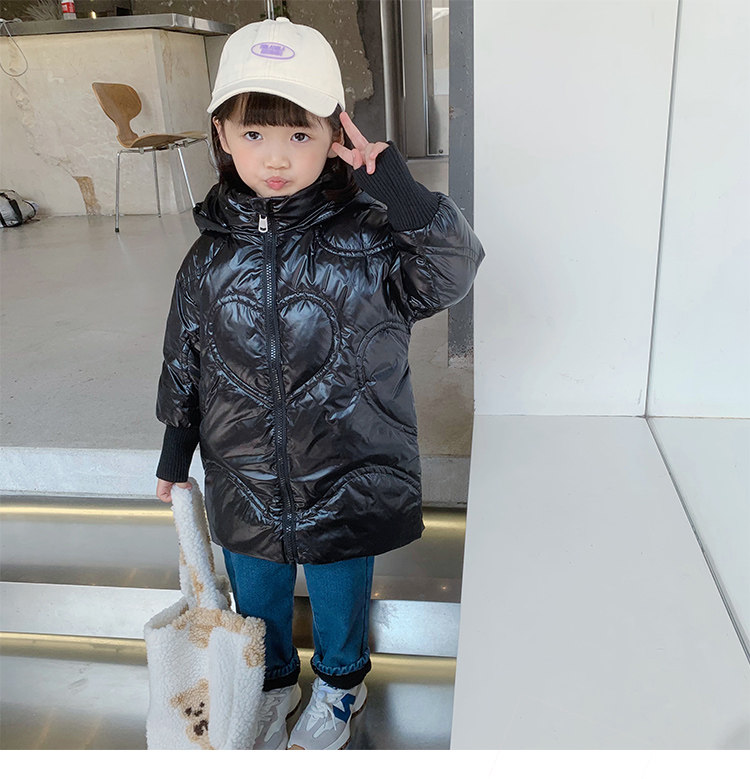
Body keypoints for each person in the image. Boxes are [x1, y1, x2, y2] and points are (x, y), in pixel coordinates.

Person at [154, 17, 484, 750]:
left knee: (338, 587)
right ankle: (269, 681)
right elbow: (185, 356)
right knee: (256, 590)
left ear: (335, 134)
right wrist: (176, 451)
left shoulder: (370, 237)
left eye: (300, 134)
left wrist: (399, 193)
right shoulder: (207, 258)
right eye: (253, 134)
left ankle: (339, 683)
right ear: (221, 135)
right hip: (243, 469)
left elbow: (450, 274)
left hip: (346, 467)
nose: (275, 157)